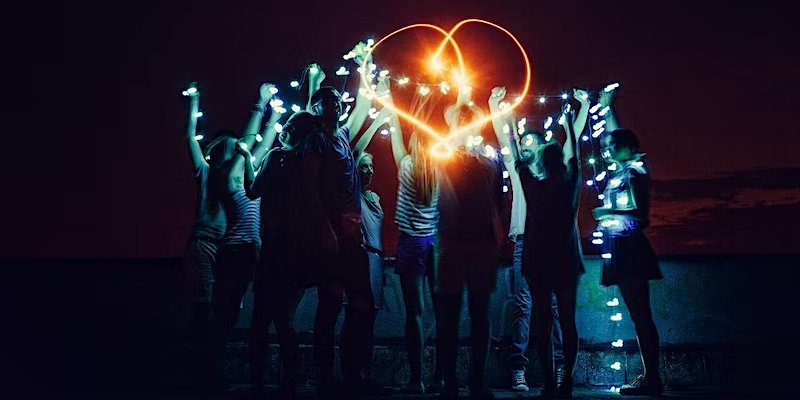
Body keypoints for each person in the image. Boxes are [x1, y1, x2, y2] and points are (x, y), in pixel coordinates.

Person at [303, 50, 376, 398]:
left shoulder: (343, 136)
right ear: (317, 108)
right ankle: (326, 378)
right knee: (331, 302)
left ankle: (353, 374)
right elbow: (309, 187)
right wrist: (325, 231)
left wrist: (365, 65)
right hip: (332, 236)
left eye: (337, 98)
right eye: (328, 99)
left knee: (362, 303)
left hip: (351, 235)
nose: (336, 101)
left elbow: (363, 105)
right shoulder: (316, 140)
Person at [509, 89, 589, 398]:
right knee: (566, 321)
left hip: (538, 261)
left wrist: (510, 122)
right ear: (561, 163)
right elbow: (576, 155)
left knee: (542, 321)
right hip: (566, 260)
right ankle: (566, 380)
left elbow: (518, 159)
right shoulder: (571, 187)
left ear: (541, 162)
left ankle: (548, 383)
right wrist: (568, 122)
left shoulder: (533, 188)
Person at [488, 87, 567, 392]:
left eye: (530, 141)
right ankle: (518, 369)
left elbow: (568, 148)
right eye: (522, 142)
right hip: (523, 243)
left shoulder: (551, 176)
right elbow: (504, 137)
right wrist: (495, 105)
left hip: (549, 245)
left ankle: (560, 368)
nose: (524, 144)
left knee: (555, 308)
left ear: (543, 148)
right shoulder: (517, 170)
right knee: (525, 306)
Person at [203, 83, 280, 392]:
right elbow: (250, 141)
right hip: (236, 252)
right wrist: (260, 104)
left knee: (231, 313)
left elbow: (261, 143)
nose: (240, 146)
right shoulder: (227, 175)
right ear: (225, 154)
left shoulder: (245, 175)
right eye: (233, 145)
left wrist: (275, 118)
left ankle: (214, 371)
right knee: (226, 313)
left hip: (248, 251)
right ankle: (210, 373)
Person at [239, 110, 318, 399]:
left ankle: (258, 382)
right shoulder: (312, 163)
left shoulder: (277, 156)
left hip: (275, 249)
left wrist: (247, 159)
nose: (285, 128)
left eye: (291, 126)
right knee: (284, 319)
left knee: (261, 319)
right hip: (298, 250)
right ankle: (289, 382)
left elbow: (252, 191)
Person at [435, 88, 505, 400]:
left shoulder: (490, 159)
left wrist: (498, 234)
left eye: (470, 120)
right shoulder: (444, 153)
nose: (465, 123)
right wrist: (463, 99)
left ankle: (477, 382)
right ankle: (451, 382)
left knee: (479, 312)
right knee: (450, 314)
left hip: (480, 242)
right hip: (452, 241)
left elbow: (499, 200)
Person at [593, 88, 663, 396]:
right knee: (638, 314)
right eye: (606, 147)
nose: (607, 150)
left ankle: (652, 378)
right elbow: (616, 135)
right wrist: (608, 110)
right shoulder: (624, 170)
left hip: (630, 248)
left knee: (640, 314)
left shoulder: (634, 173)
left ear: (627, 148)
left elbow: (640, 215)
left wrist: (607, 212)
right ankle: (651, 376)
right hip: (620, 247)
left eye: (612, 147)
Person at [386, 81, 443, 395]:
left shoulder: (406, 165)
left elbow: (397, 126)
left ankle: (416, 380)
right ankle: (441, 377)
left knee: (415, 314)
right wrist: (430, 99)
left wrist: (388, 94)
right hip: (436, 243)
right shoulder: (441, 171)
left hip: (411, 243)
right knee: (442, 312)